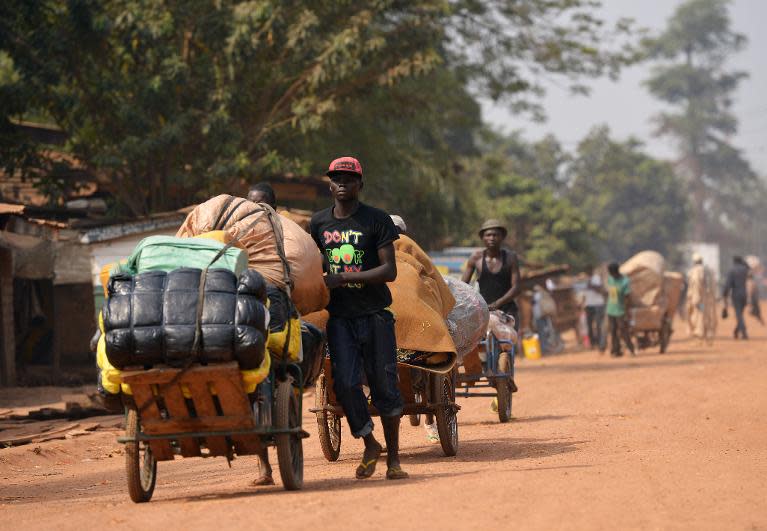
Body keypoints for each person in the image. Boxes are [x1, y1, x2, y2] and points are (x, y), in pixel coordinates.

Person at [309, 156, 408, 480]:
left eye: (348, 179)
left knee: (384, 386)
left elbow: (389, 270)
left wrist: (345, 277)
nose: (342, 184)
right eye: (336, 178)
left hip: (375, 315)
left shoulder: (377, 220)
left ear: (359, 185)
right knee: (346, 383)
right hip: (340, 318)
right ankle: (368, 442)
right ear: (329, 183)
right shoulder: (319, 223)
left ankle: (394, 459)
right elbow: (313, 265)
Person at [462, 219, 521, 331]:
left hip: (508, 310)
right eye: (488, 235)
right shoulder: (476, 258)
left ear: (502, 237)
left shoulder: (510, 258)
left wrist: (496, 304)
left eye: (495, 235)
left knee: (509, 343)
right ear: (482, 238)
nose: (492, 238)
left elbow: (517, 287)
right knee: (481, 345)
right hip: (484, 311)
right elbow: (463, 286)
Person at [686, 253, 717, 345]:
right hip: (707, 299)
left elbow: (697, 283)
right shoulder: (708, 271)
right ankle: (708, 337)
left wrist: (697, 297)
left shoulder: (695, 271)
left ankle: (699, 338)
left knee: (698, 316)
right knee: (706, 316)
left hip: (698, 299)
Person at [606, 262, 635, 357]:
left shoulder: (625, 281)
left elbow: (627, 297)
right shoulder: (610, 279)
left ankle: (631, 349)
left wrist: (626, 311)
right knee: (613, 330)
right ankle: (616, 350)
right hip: (611, 309)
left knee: (623, 330)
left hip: (621, 310)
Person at [723, 255, 750, 339]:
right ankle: (736, 330)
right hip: (744, 294)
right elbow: (748, 267)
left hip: (736, 295)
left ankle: (744, 332)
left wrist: (725, 293)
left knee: (739, 315)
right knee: (740, 314)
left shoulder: (732, 270)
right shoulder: (745, 269)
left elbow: (728, 284)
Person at [583, 265, 606, 351]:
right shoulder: (586, 280)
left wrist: (591, 286)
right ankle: (592, 343)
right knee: (589, 325)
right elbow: (585, 294)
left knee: (598, 324)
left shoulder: (596, 278)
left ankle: (601, 343)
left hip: (598, 304)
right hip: (589, 305)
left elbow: (601, 289)